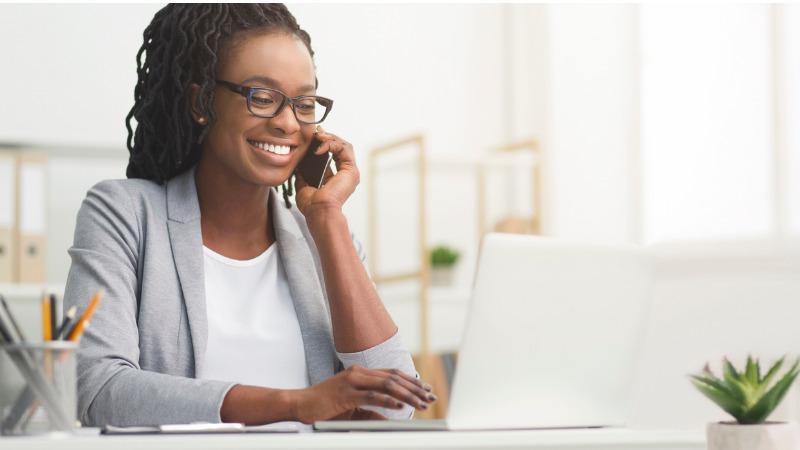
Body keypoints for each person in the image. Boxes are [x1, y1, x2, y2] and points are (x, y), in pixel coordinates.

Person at [63, 3, 436, 427]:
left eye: (305, 103)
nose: (287, 122)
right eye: (263, 97)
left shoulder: (322, 239)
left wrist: (328, 219)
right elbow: (97, 388)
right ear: (201, 102)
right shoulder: (125, 215)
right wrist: (294, 403)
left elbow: (397, 407)